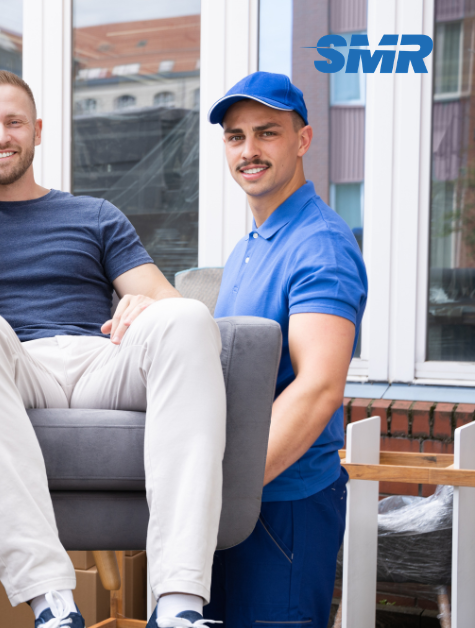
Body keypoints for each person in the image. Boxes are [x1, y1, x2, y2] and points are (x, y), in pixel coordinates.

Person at [0, 70, 227, 628]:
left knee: (187, 316)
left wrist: (148, 307)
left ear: (37, 131)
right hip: (16, 370)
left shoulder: (94, 214)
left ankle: (180, 606)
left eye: (14, 122)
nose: (1, 136)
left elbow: (162, 297)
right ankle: (52, 603)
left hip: (101, 363)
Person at [204, 72, 367, 626]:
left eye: (267, 133)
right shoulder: (251, 244)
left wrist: (223, 489)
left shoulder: (318, 243)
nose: (249, 150)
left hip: (283, 506)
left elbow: (318, 387)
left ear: (303, 139)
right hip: (240, 502)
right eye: (235, 136)